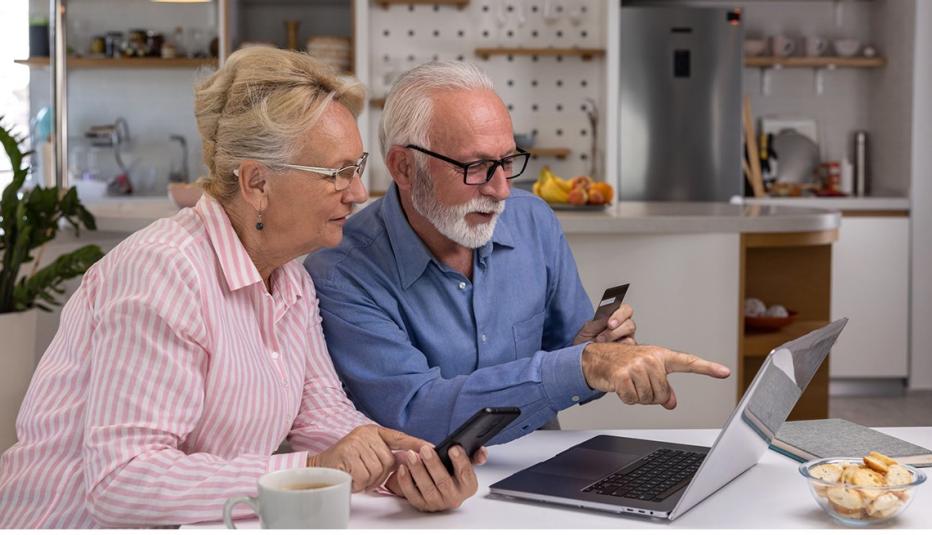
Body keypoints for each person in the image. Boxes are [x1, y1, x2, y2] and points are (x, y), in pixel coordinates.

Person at [0, 49, 480, 529]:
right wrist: (312, 470)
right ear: (256, 183)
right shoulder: (163, 272)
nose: (358, 192)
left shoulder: (290, 277)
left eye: (358, 167)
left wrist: (404, 467)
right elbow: (123, 481)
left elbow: (321, 416)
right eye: (337, 173)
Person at [305, 61, 732, 446]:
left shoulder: (532, 220)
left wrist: (599, 352)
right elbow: (416, 412)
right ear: (403, 167)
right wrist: (582, 365)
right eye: (475, 168)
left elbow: (569, 355)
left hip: (542, 462)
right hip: (421, 493)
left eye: (507, 162)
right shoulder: (341, 269)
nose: (501, 190)